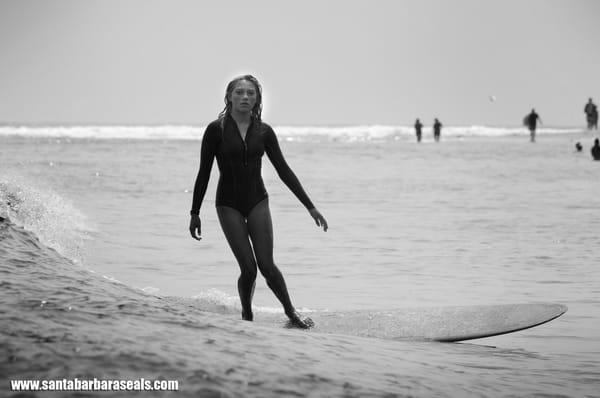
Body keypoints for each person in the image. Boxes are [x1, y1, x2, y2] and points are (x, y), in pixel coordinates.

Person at [189, 75, 328, 329]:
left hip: (257, 201)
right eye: (239, 92)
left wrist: (310, 207)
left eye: (250, 93)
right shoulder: (215, 130)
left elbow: (284, 171)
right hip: (228, 203)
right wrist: (195, 212)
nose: (245, 97)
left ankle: (291, 312)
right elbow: (204, 172)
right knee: (249, 269)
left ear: (257, 99)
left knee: (267, 265)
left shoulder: (264, 132)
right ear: (229, 96)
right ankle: (247, 315)